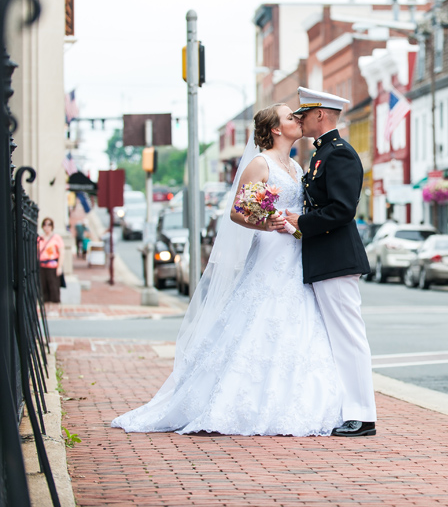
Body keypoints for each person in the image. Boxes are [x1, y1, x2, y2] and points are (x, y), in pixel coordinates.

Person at [111, 103, 342, 436]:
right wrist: (267, 223)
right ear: (276, 129)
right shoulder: (259, 164)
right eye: (291, 116)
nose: (298, 119)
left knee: (299, 318)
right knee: (258, 315)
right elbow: (238, 212)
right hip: (271, 249)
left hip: (296, 250)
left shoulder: (294, 165)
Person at [282, 87, 377, 437]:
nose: (300, 120)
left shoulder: (340, 154)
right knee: (335, 338)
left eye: (304, 114)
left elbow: (341, 210)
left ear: (320, 114)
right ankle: (346, 409)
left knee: (348, 337)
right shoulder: (322, 154)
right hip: (324, 257)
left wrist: (300, 223)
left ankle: (362, 415)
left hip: (337, 257)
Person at [37, 218, 65, 305]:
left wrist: (59, 266)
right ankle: (46, 308)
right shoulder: (40, 238)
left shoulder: (56, 238)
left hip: (52, 266)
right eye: (45, 224)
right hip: (42, 265)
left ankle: (55, 308)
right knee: (43, 288)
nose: (47, 227)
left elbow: (62, 252)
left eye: (49, 224)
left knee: (54, 287)